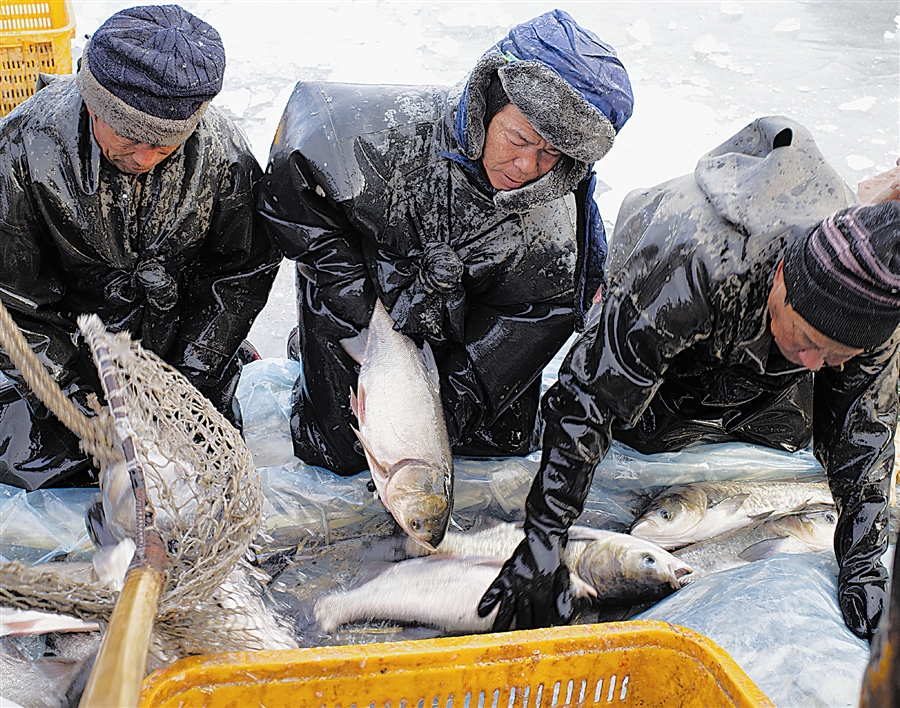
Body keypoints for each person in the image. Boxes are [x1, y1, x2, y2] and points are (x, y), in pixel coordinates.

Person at [477, 115, 900, 643]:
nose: (815, 363)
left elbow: (864, 430)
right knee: (639, 428)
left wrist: (863, 560)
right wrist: (543, 538)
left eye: (837, 356)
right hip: (678, 302)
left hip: (757, 325)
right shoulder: (692, 261)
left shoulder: (876, 310)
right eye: (809, 340)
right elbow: (590, 396)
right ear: (785, 282)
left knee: (790, 425)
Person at [258, 9, 633, 476]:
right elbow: (293, 192)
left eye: (550, 153)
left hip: (470, 329)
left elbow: (532, 323)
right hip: (363, 296)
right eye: (518, 137)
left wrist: (441, 414)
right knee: (342, 445)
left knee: (482, 443)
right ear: (487, 101)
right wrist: (357, 303)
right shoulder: (369, 130)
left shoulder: (556, 232)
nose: (525, 166)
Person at [0, 5, 280, 491]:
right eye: (129, 138)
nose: (145, 158)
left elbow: (238, 275)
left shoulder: (224, 155)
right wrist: (77, 397)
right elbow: (14, 303)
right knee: (43, 460)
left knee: (198, 476)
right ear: (94, 104)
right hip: (69, 346)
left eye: (166, 146)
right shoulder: (23, 150)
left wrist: (187, 378)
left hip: (173, 351)